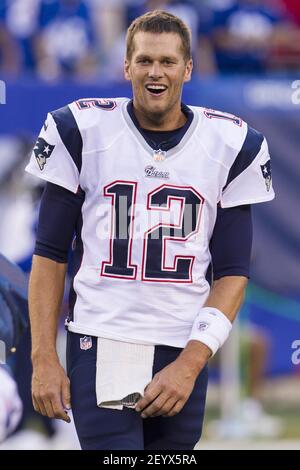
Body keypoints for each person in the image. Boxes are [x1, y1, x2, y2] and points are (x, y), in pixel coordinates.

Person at [25, 10, 275, 450]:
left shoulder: (232, 143)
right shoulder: (81, 129)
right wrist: (44, 355)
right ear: (126, 67)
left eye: (167, 61)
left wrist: (191, 363)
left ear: (188, 68)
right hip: (103, 336)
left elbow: (233, 273)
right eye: (143, 61)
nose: (155, 72)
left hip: (183, 342)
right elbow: (50, 254)